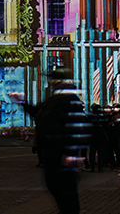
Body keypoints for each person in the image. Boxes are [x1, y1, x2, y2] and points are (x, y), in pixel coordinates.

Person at [11, 69, 92, 214]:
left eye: (54, 81)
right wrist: (22, 102)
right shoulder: (55, 99)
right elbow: (39, 112)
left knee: (65, 192)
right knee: (57, 188)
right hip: (52, 152)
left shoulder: (69, 100)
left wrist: (69, 153)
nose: (51, 84)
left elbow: (76, 126)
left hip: (60, 153)